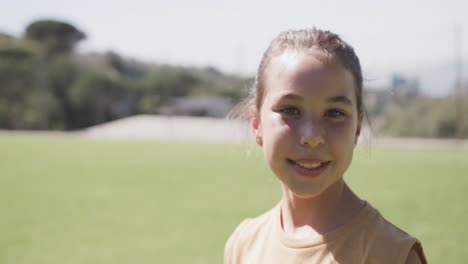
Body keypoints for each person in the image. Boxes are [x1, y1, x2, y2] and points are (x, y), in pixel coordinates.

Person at [224, 28, 427, 264]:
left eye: (334, 113)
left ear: (357, 128)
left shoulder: (390, 254)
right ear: (256, 123)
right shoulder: (244, 244)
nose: (311, 136)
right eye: (290, 110)